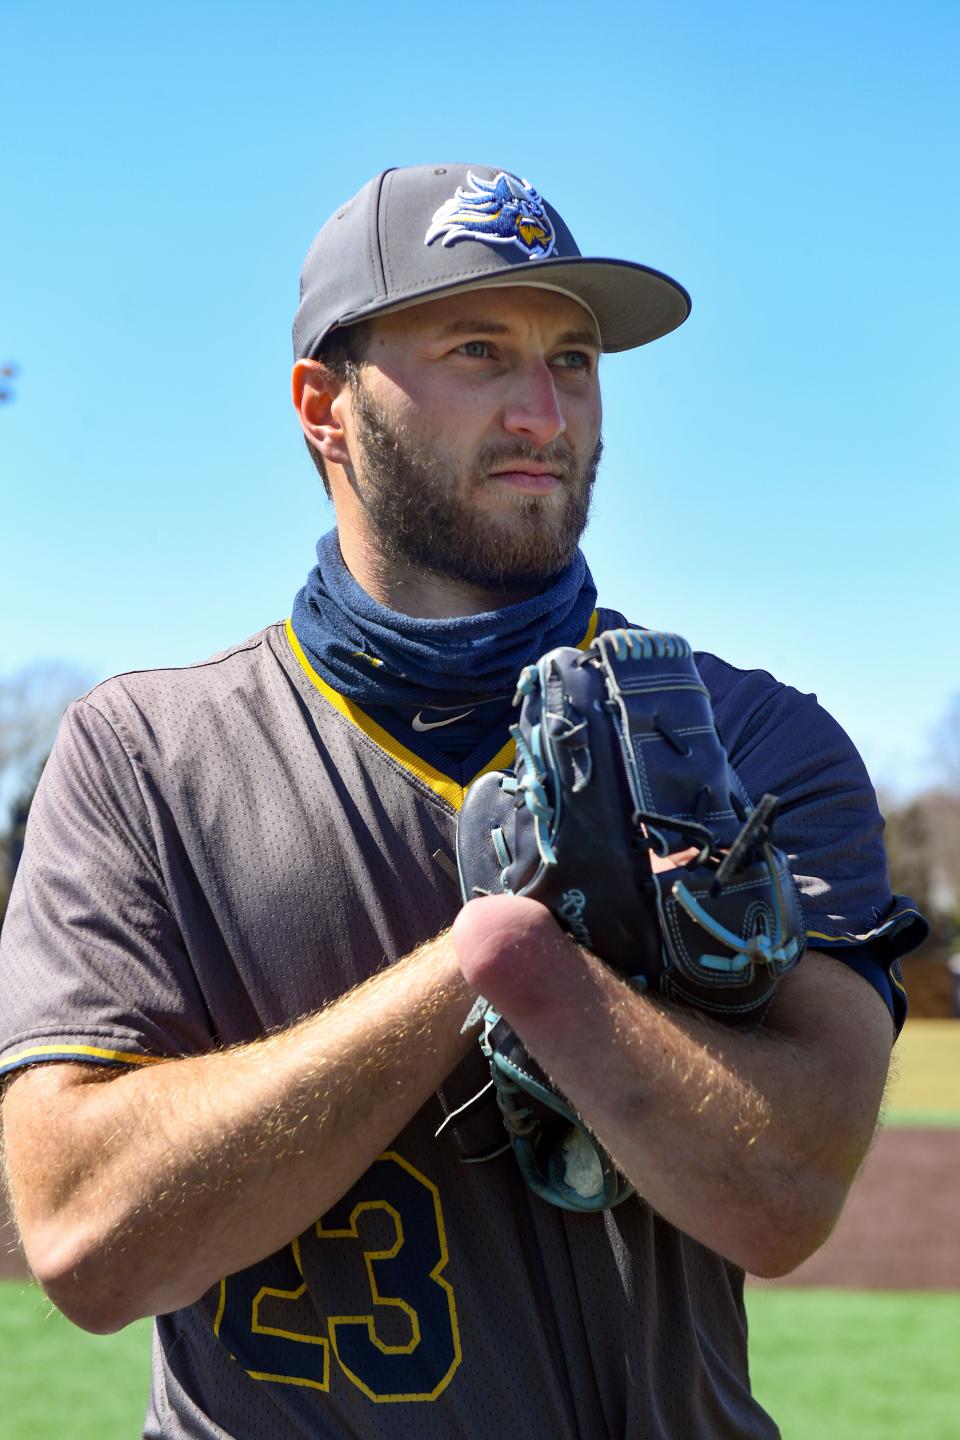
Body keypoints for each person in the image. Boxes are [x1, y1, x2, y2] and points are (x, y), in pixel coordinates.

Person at [0, 163, 926, 1439]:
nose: (546, 411)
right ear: (322, 407)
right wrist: (479, 963)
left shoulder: (756, 738)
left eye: (577, 359)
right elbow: (85, 1243)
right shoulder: (145, 754)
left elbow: (784, 1197)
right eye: (480, 351)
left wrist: (546, 985)